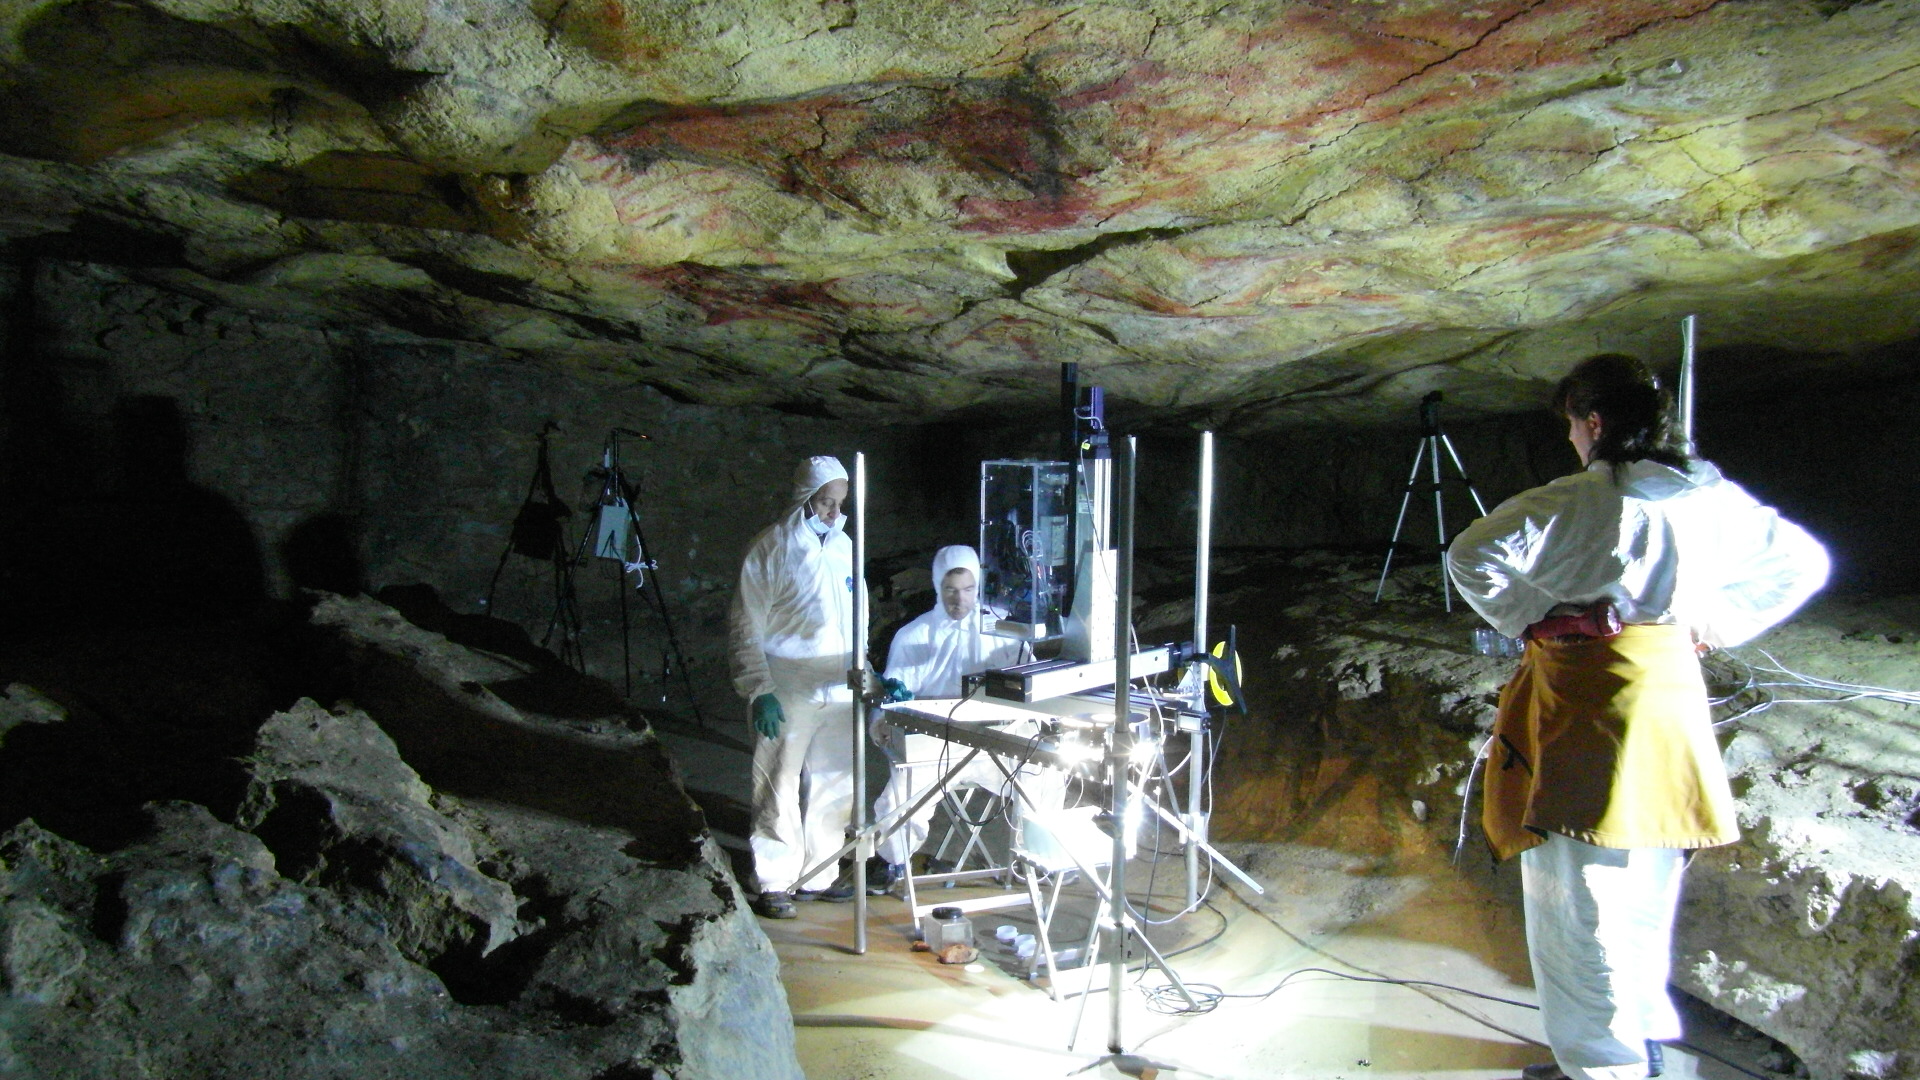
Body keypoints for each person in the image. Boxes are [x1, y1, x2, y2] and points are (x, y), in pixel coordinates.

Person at [1447, 354, 1829, 1080]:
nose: (1571, 441)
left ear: (1594, 423)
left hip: (1588, 707)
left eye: (1572, 427)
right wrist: (1708, 622)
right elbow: (1802, 564)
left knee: (1578, 903)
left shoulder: (1579, 501)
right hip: (1669, 696)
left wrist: (1535, 619)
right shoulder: (1708, 496)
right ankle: (1646, 1042)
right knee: (1647, 880)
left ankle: (1604, 1067)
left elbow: (1472, 555)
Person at [868, 545, 1057, 893]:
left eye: (968, 590)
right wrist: (882, 716)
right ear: (938, 587)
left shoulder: (1003, 631)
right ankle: (892, 861)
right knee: (898, 798)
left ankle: (1039, 857)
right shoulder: (914, 635)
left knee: (1043, 775)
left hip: (996, 742)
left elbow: (1031, 681)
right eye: (951, 590)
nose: (959, 600)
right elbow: (890, 695)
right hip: (935, 746)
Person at [730, 456, 859, 919]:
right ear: (804, 499)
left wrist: (866, 670)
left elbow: (856, 616)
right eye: (825, 502)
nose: (832, 512)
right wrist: (758, 686)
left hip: (839, 679)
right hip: (787, 677)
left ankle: (820, 872)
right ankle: (776, 878)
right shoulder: (772, 547)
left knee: (835, 779)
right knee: (779, 778)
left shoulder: (845, 548)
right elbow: (747, 621)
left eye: (839, 503)